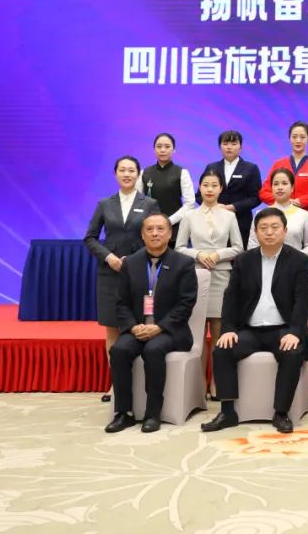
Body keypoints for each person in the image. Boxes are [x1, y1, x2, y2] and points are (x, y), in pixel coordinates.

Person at [202, 208, 308, 434]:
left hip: (283, 329)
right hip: (250, 330)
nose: (269, 232)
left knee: (292, 353)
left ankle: (281, 413)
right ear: (255, 232)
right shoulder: (244, 260)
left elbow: (302, 301)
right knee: (222, 349)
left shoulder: (299, 260)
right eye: (263, 228)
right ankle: (227, 412)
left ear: (285, 231)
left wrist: (295, 332)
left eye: (274, 227)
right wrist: (228, 329)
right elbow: (231, 297)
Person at [105, 214, 198, 433]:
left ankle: (153, 413)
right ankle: (124, 413)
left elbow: (186, 303)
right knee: (119, 350)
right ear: (142, 234)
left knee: (154, 350)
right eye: (149, 229)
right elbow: (121, 302)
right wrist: (132, 326)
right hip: (138, 328)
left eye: (160, 229)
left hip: (170, 330)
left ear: (170, 233)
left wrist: (160, 327)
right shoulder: (131, 263)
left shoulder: (183, 263)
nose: (155, 233)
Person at [84, 155, 160, 402]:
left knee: (140, 325)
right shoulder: (105, 204)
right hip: (110, 274)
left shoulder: (149, 203)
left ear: (138, 174)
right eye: (122, 170)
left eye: (131, 170)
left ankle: (141, 382)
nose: (127, 174)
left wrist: (135, 259)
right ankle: (116, 383)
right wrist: (109, 257)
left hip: (140, 274)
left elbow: (157, 236)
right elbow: (90, 238)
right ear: (115, 174)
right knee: (113, 329)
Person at [176, 169, 244, 399]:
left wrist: (217, 255)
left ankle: (216, 381)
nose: (210, 189)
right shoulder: (189, 216)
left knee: (218, 333)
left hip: (221, 276)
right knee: (196, 334)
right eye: (205, 185)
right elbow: (179, 247)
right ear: (200, 187)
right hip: (195, 276)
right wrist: (198, 254)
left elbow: (239, 247)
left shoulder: (229, 216)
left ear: (221, 189)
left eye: (214, 185)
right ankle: (198, 383)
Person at [259, 121, 308, 222]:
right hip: (281, 215)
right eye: (294, 137)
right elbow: (263, 193)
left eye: (302, 137)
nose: (298, 140)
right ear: (289, 138)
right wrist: (284, 202)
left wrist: (302, 201)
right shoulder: (278, 164)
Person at [205, 130, 261, 248]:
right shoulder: (211, 167)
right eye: (225, 144)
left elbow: (256, 198)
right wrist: (215, 206)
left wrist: (233, 207)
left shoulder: (251, 168)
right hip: (214, 220)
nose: (229, 147)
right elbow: (200, 195)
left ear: (241, 147)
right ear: (220, 146)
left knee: (240, 255)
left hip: (241, 220)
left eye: (234, 144)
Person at [137, 133, 196, 244]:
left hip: (175, 229)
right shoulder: (144, 173)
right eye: (159, 146)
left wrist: (169, 221)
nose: (163, 150)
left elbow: (190, 204)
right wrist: (149, 222)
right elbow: (137, 202)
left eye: (167, 146)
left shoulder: (182, 173)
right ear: (154, 149)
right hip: (150, 229)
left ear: (174, 150)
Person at [249, 168, 308, 256]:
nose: (280, 187)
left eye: (284, 183)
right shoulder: (260, 214)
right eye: (276, 184)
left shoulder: (304, 215)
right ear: (271, 188)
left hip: (294, 263)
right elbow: (252, 245)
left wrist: (297, 258)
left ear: (292, 188)